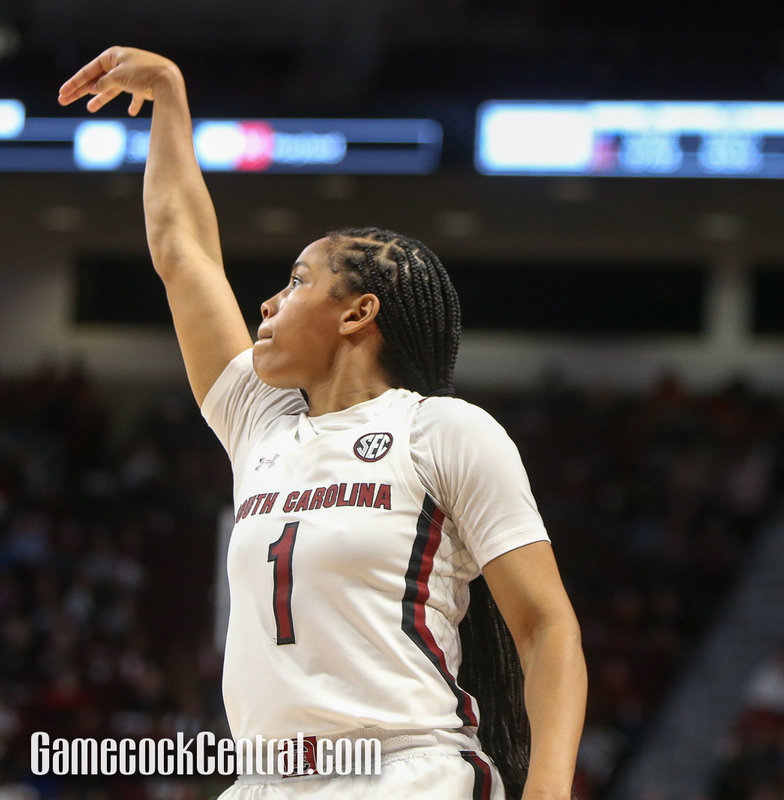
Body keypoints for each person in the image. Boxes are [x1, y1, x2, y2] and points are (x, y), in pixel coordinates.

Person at [59, 48, 586, 800]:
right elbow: (183, 254)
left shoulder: (442, 432)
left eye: (298, 280)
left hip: (409, 773)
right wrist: (171, 99)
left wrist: (548, 792)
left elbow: (546, 630)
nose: (268, 304)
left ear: (358, 312)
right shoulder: (260, 423)